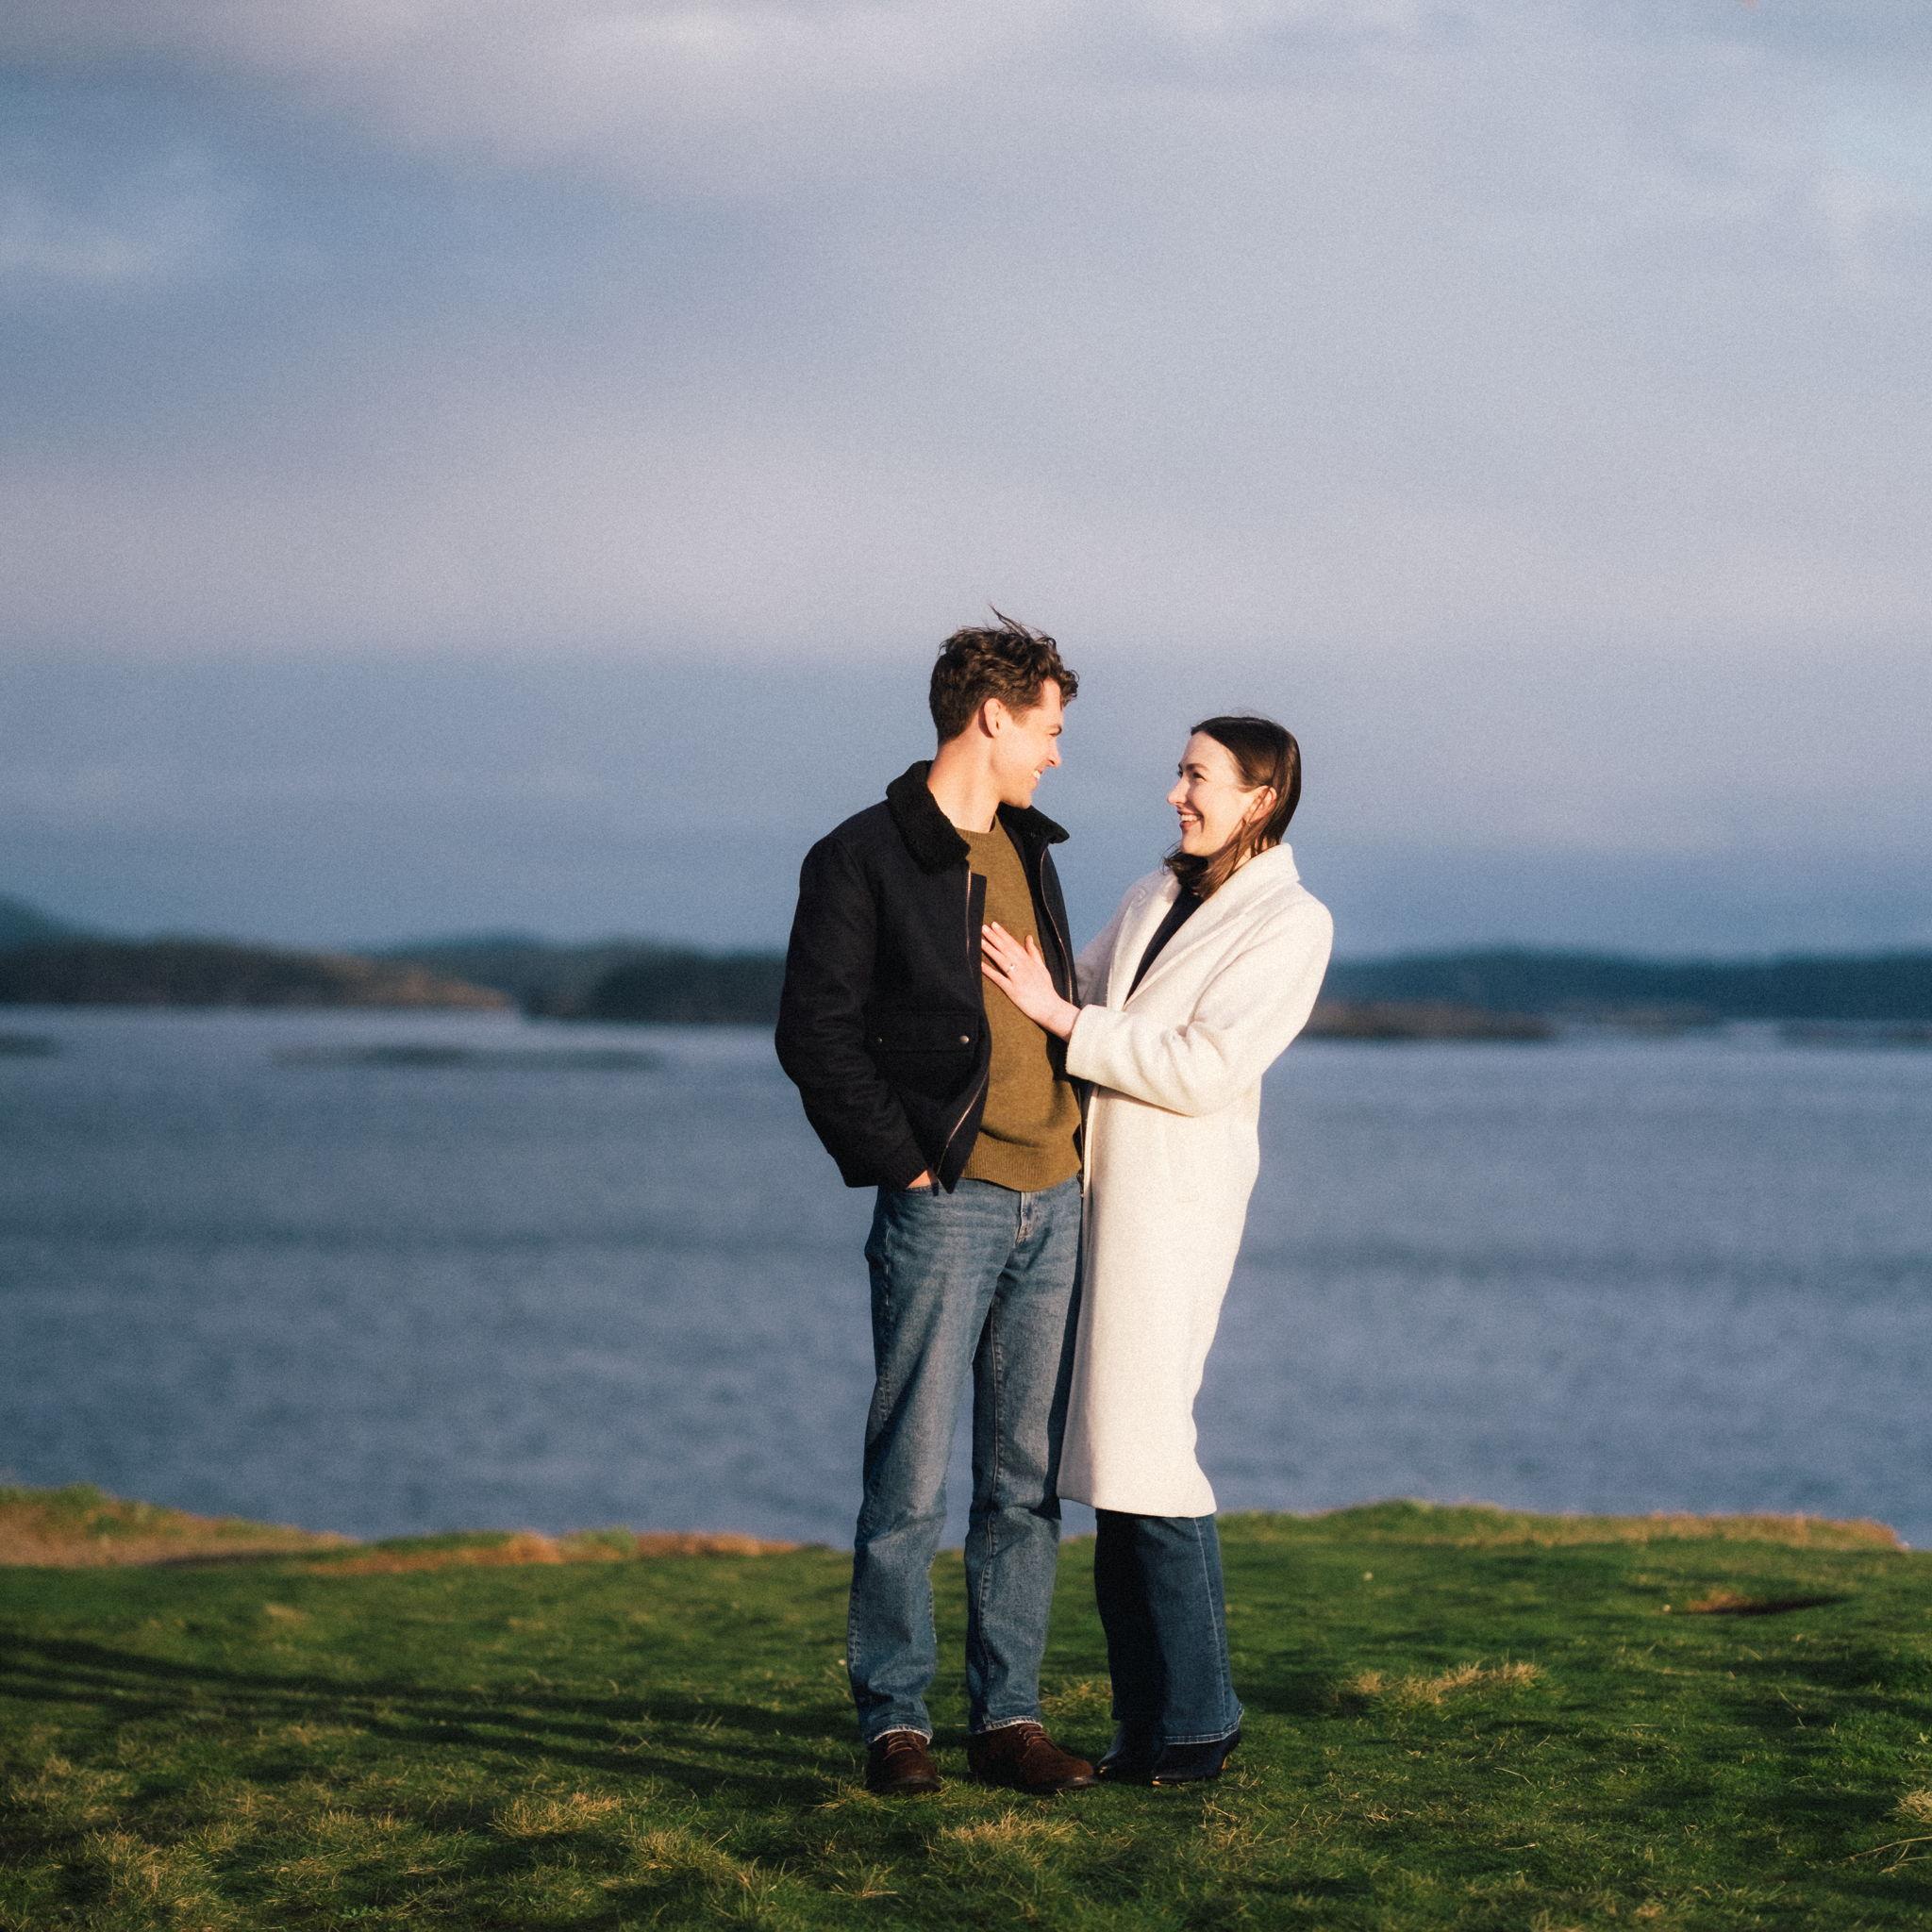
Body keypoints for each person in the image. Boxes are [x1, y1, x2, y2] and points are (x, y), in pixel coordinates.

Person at [774, 616, 1096, 1799]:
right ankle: (894, 1724)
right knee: (907, 1478)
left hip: (1055, 1196)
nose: (1055, 752)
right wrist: (906, 1167)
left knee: (1022, 1481)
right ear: (992, 715)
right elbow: (814, 1033)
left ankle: (1008, 1719)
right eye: (1047, 728)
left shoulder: (1031, 848)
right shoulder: (858, 855)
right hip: (945, 1203)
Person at [979, 713, 1333, 1786]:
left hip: (1173, 1213)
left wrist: (1061, 1017)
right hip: (1094, 1199)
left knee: (1146, 1455)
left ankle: (1202, 1718)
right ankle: (1148, 1726)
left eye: (1198, 776)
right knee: (1107, 1465)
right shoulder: (1155, 889)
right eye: (1180, 772)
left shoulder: (1292, 923)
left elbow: (1206, 1066)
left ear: (1260, 797)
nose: (1177, 792)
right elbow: (1071, 986)